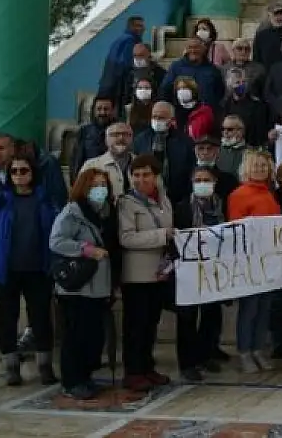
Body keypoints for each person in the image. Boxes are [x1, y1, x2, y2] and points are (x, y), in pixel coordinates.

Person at [0, 154, 58, 386]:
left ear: (33, 173)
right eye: (15, 171)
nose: (19, 175)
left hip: (38, 270)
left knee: (41, 319)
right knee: (7, 319)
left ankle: (45, 366)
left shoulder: (45, 201)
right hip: (5, 272)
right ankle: (11, 368)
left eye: (24, 171)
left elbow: (54, 231)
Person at [50, 169, 117, 400]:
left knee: (93, 335)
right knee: (75, 335)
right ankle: (71, 381)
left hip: (99, 285)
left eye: (103, 184)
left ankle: (85, 376)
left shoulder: (106, 212)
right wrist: (86, 250)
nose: (100, 189)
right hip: (78, 285)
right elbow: (56, 241)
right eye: (94, 185)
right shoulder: (72, 211)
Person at [117, 154, 175, 392]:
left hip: (158, 273)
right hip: (136, 275)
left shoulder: (163, 200)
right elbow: (126, 237)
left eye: (146, 174)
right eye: (136, 175)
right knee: (135, 326)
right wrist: (162, 236)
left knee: (151, 324)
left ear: (156, 176)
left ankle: (147, 366)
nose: (141, 179)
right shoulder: (126, 203)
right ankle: (133, 371)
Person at [227, 149, 282, 373]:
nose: (260, 169)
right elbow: (236, 228)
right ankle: (244, 351)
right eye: (255, 165)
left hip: (269, 259)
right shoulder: (239, 194)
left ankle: (258, 348)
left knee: (264, 307)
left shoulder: (269, 193)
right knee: (249, 309)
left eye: (263, 165)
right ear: (246, 169)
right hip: (249, 260)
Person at [171, 166, 228, 381]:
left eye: (207, 179)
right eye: (198, 179)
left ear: (214, 183)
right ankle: (187, 363)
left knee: (211, 315)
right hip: (189, 269)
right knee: (187, 318)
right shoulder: (182, 208)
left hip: (214, 267)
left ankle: (205, 355)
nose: (202, 183)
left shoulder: (223, 206)